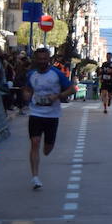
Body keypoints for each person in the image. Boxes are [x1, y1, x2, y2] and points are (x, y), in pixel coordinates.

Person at [23, 47, 75, 190]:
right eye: (39, 59)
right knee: (35, 142)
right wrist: (26, 95)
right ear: (35, 60)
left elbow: (71, 89)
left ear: (49, 60)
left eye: (45, 59)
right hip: (35, 113)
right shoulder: (31, 74)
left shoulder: (56, 74)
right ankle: (35, 177)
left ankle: (46, 149)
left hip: (52, 115)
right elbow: (27, 88)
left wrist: (57, 96)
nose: (42, 62)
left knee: (47, 149)